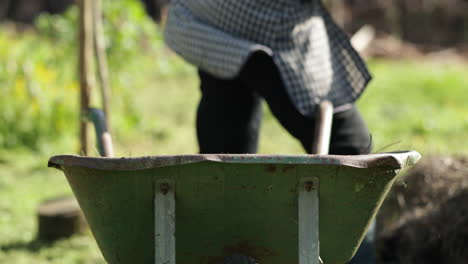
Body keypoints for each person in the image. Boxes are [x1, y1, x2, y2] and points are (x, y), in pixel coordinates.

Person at [163, 0, 375, 263]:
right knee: (350, 149)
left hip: (211, 15)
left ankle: (230, 250)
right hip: (263, 15)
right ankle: (354, 256)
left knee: (228, 152)